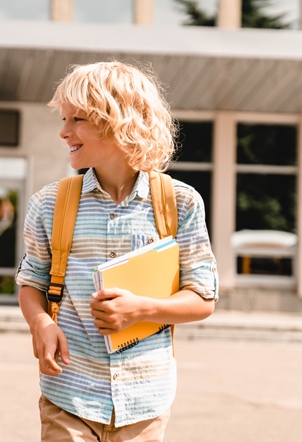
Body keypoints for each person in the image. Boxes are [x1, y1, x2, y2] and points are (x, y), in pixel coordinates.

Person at [16, 61, 218, 442]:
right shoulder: (49, 204)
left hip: (145, 401)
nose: (64, 131)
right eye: (64, 119)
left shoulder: (180, 202)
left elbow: (203, 298)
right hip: (68, 395)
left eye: (76, 119)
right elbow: (31, 284)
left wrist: (143, 309)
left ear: (117, 122)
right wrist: (40, 323)